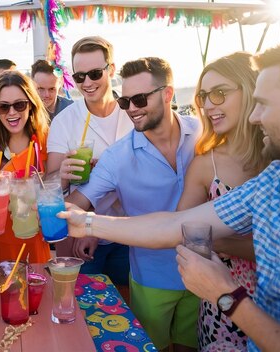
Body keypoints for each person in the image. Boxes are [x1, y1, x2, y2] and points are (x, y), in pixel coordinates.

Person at [60, 35, 280, 352]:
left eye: (264, 104)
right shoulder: (276, 179)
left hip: (214, 294)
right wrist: (85, 222)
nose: (254, 116)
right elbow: (178, 224)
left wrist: (228, 294)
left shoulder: (201, 136)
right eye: (205, 96)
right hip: (171, 283)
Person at [65, 57, 200, 351]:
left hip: (205, 272)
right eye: (125, 102)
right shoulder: (117, 156)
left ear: (168, 93)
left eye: (139, 99)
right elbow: (78, 202)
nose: (132, 109)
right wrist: (77, 214)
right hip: (152, 278)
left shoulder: (202, 134)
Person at [178, 52, 270, 351]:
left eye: (219, 94)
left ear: (252, 89)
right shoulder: (206, 165)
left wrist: (217, 238)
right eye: (203, 96)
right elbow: (183, 232)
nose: (206, 106)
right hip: (224, 305)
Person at [46, 36, 133, 290]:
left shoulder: (133, 114)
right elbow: (49, 187)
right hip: (81, 237)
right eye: (80, 76)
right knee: (84, 305)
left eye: (95, 74)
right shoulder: (65, 121)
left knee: (129, 306)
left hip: (129, 233)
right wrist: (62, 174)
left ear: (111, 70)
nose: (87, 83)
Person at [0, 70, 51, 264]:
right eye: (4, 107)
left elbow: (55, 186)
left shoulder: (44, 141)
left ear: (31, 105)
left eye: (19, 105)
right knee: (5, 292)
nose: (12, 113)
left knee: (39, 291)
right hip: (1, 242)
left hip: (36, 239)